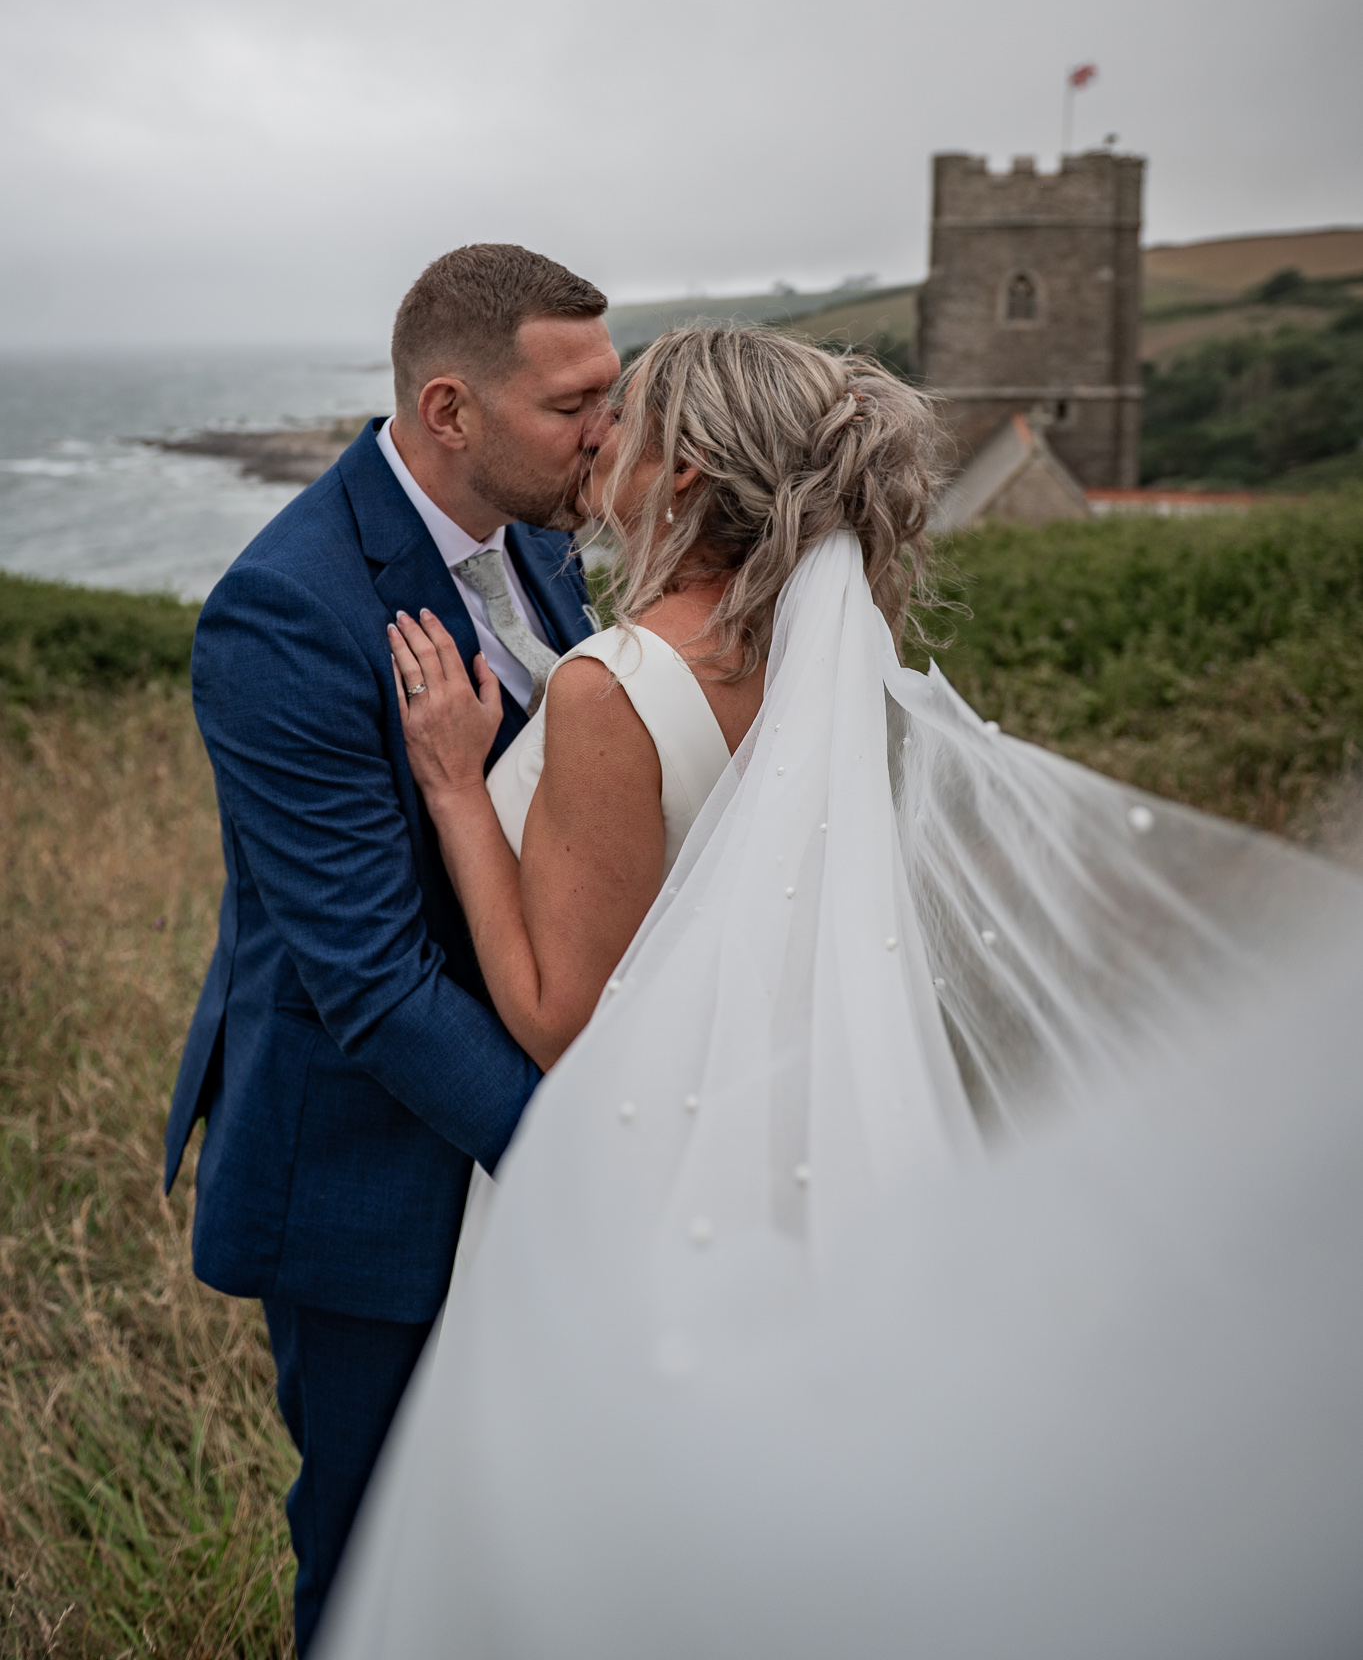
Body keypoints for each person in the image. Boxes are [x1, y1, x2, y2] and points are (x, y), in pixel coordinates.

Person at [318, 323, 1363, 1659]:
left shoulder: (610, 684)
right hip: (793, 1129)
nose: (600, 437)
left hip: (644, 1165)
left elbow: (560, 1019)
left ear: (683, 470)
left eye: (627, 417)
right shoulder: (828, 662)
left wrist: (458, 788)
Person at [163, 242, 619, 1654]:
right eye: (573, 405)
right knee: (378, 1556)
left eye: (611, 394)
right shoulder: (284, 611)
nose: (608, 432)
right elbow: (370, 978)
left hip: (521, 1111)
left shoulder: (541, 534)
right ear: (449, 411)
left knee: (513, 1537)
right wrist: (581, 1161)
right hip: (370, 1168)